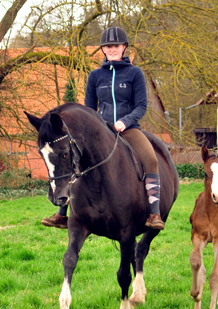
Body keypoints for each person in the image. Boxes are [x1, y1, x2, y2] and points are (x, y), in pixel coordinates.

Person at [41, 26, 165, 230]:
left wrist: (125, 121)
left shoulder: (135, 74)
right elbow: (89, 109)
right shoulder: (95, 76)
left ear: (124, 47)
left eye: (116, 46)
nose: (112, 49)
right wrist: (95, 125)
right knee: (74, 158)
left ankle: (154, 213)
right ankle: (62, 214)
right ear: (103, 50)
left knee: (151, 160)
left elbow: (142, 105)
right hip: (102, 130)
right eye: (108, 46)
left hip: (129, 129)